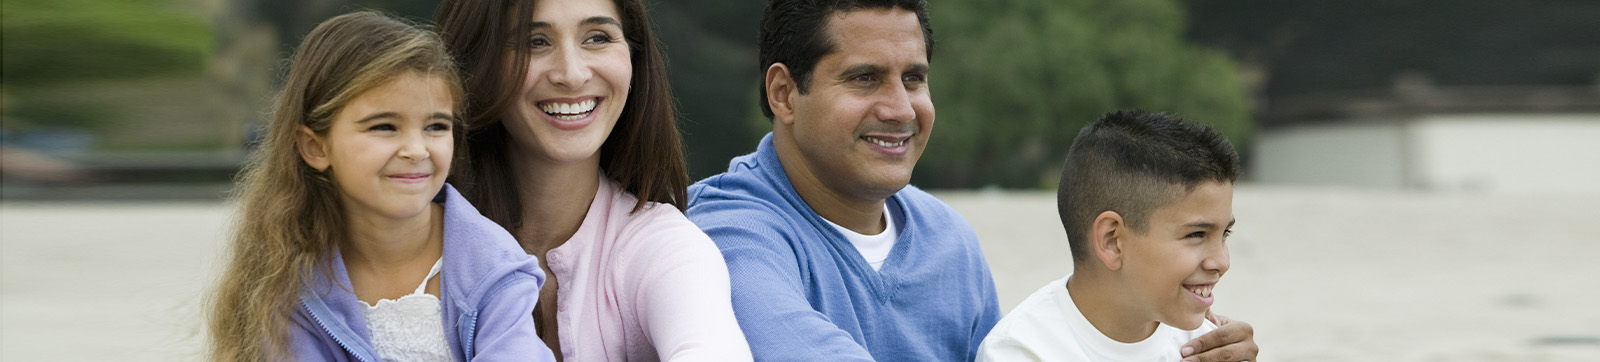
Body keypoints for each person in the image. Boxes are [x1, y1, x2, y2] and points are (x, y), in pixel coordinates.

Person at [686, 1, 1259, 361]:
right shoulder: (725, 233)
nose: (900, 108)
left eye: (913, 78)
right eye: (864, 79)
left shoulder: (946, 237)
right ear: (783, 93)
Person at [206, 11, 552, 361]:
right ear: (315, 147)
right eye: (384, 127)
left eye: (435, 126)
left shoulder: (492, 266)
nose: (417, 151)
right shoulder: (288, 278)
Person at [434, 0, 753, 360]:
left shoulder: (663, 245)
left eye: (597, 38)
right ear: (475, 61)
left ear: (634, 58)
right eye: (535, 42)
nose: (571, 74)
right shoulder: (413, 231)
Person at [977, 110, 1239, 362]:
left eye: (1225, 233)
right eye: (1196, 234)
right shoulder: (1023, 351)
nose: (1221, 262)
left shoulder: (1210, 347)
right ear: (1112, 241)